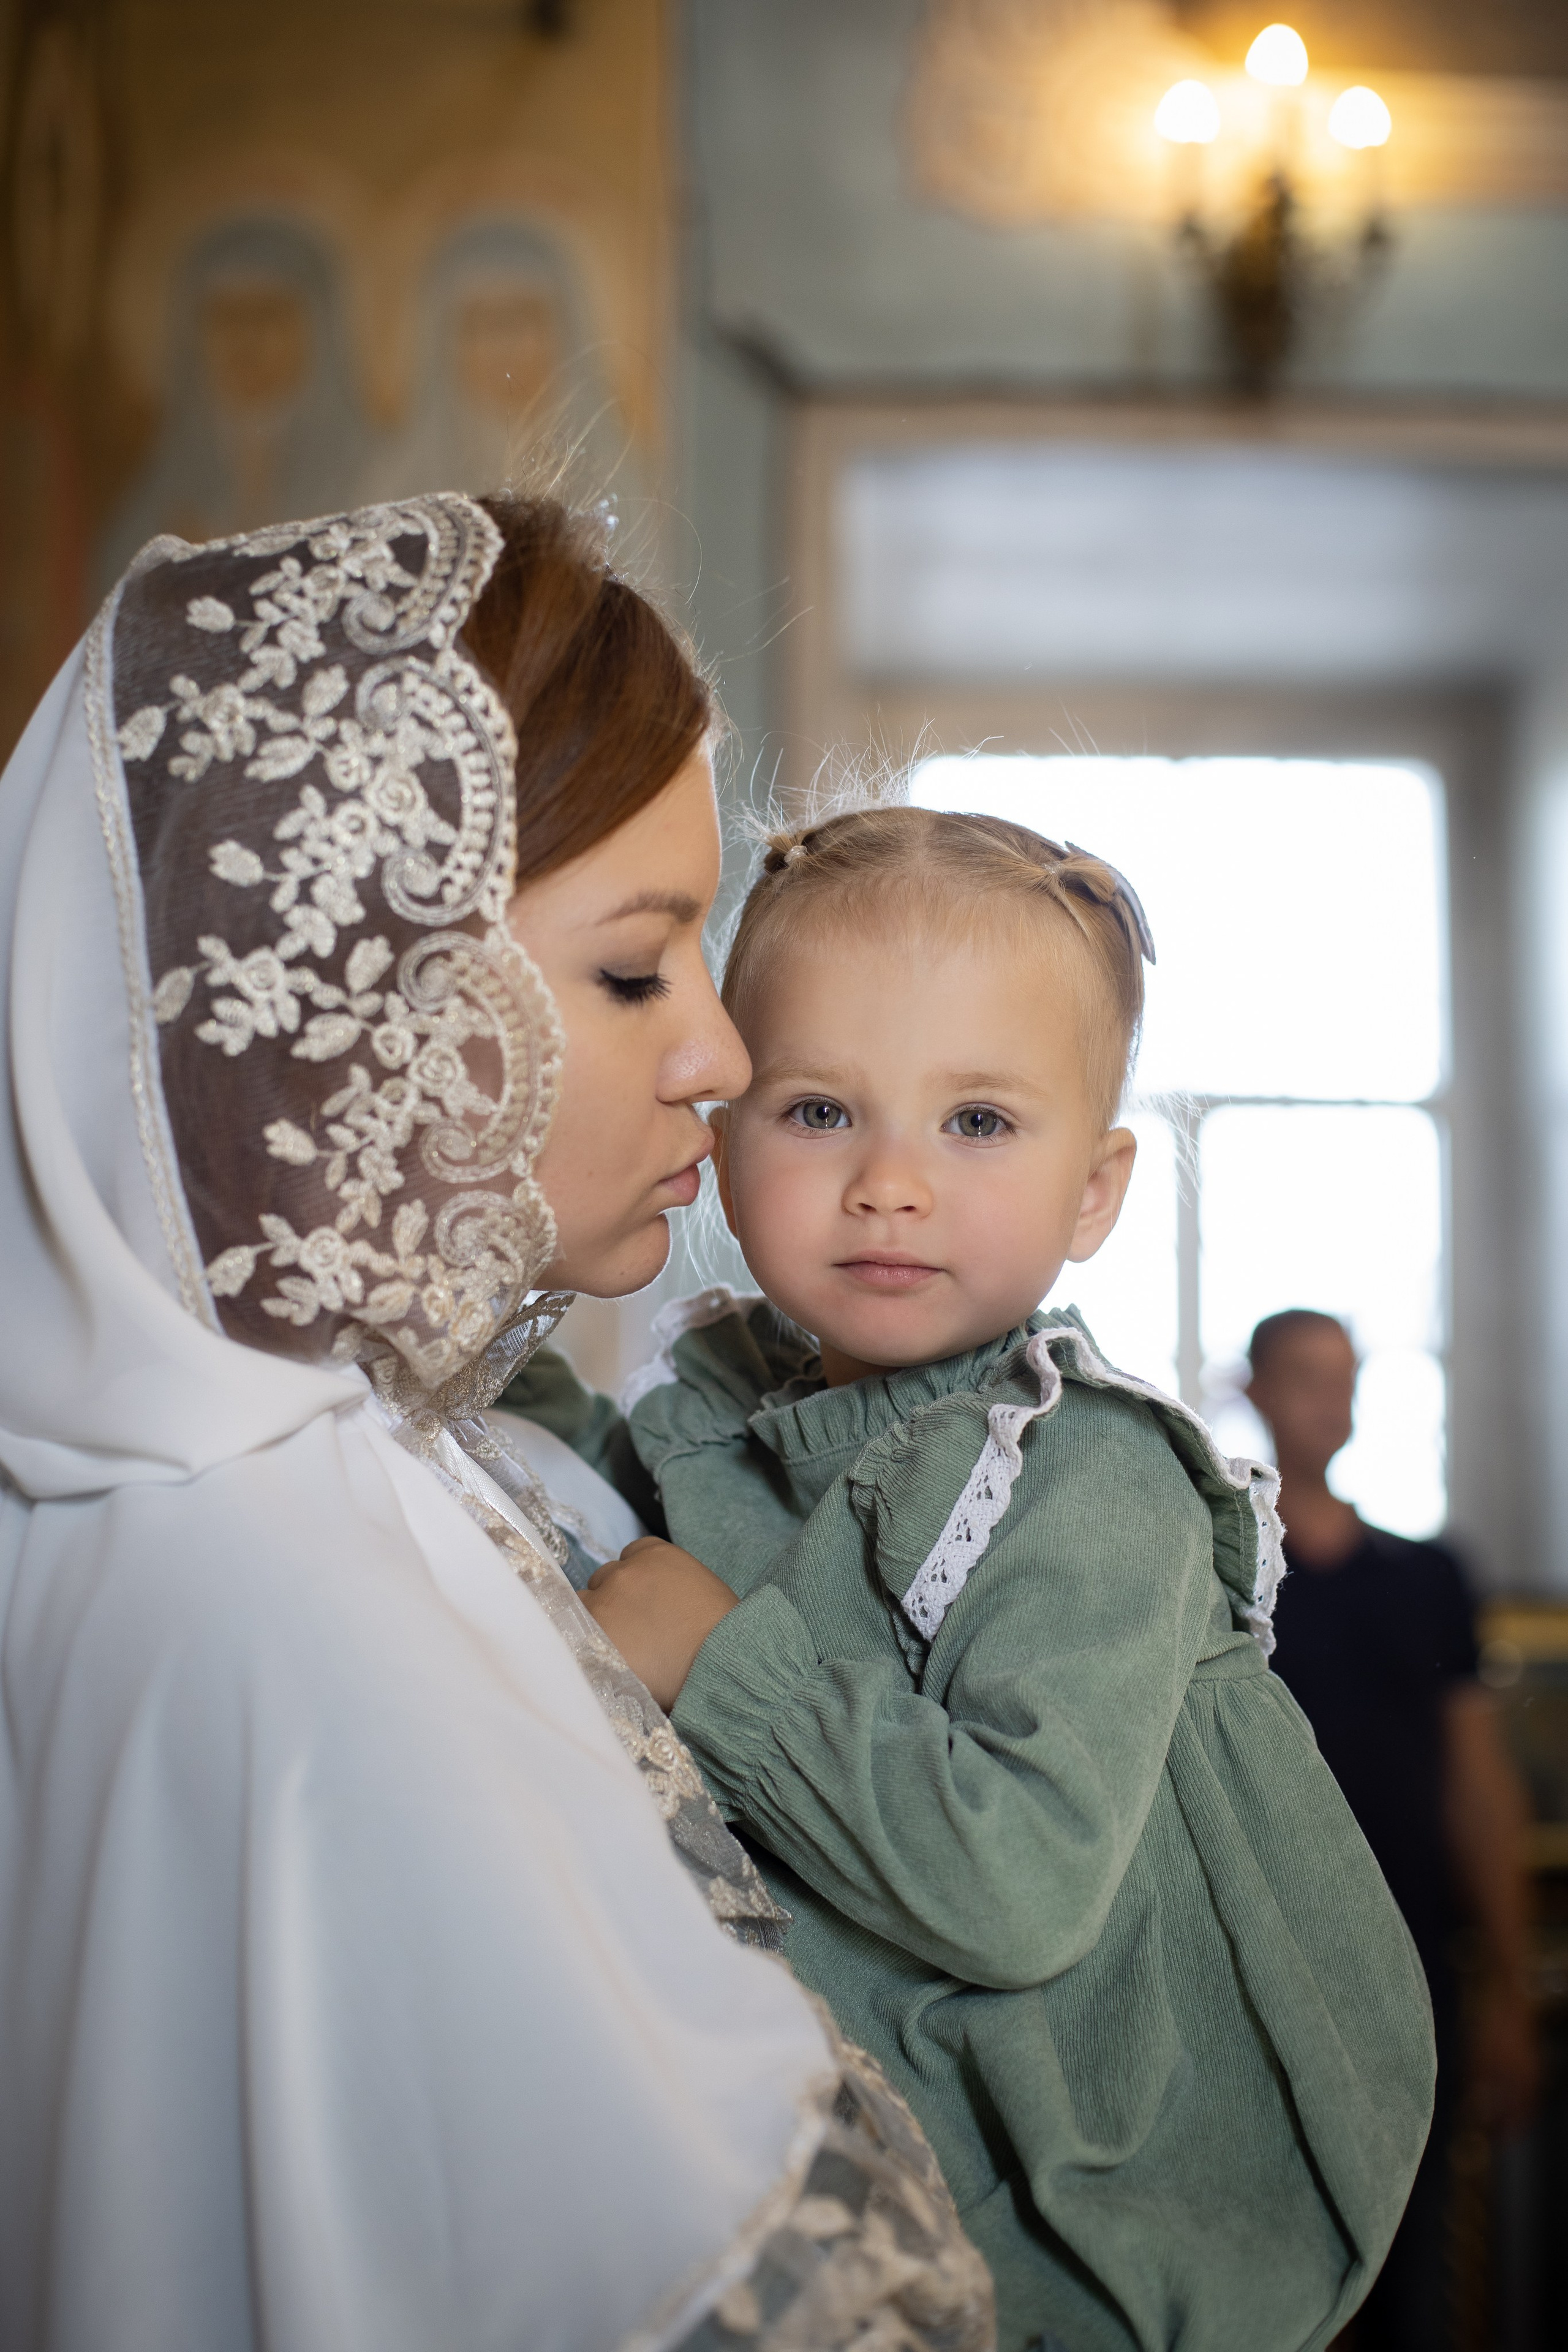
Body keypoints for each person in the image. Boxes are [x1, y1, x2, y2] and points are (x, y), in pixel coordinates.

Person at [0, 492, 995, 2352]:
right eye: (637, 967)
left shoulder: (323, 1468)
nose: (721, 1053)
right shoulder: (287, 1589)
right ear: (356, 1008)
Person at [508, 805, 1438, 2352]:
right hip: (886, 2131)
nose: (889, 1180)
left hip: (1102, 2187)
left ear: (1093, 1190)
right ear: (722, 1140)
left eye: (978, 1125)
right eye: (817, 1112)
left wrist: (728, 1663)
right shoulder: (725, 1407)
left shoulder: (1090, 1480)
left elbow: (1018, 1887)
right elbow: (616, 1514)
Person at [1247, 1308, 1539, 2352]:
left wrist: (1504, 1984)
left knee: (1415, 2273)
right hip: (1265, 1962)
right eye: (1306, 1378)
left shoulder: (1426, 1575)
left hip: (1416, 1962)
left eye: (1347, 1378)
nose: (1331, 1401)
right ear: (1255, 1390)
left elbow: (1478, 1780)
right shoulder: (1221, 1569)